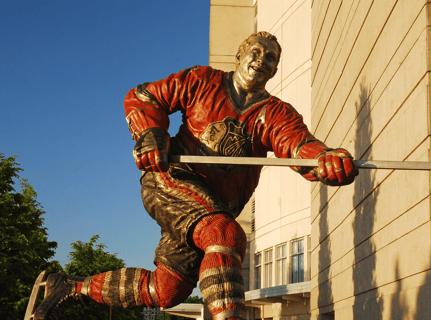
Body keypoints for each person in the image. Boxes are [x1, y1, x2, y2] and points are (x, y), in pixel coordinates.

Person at [31, 31, 358, 320]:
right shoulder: (203, 81)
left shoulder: (276, 114)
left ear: (274, 70)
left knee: (166, 291)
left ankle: (69, 286)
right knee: (225, 234)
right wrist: (151, 133)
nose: (261, 60)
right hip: (172, 180)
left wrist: (326, 160)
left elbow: (299, 145)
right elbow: (145, 97)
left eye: (269, 58)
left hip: (210, 209)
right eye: (255, 52)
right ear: (240, 55)